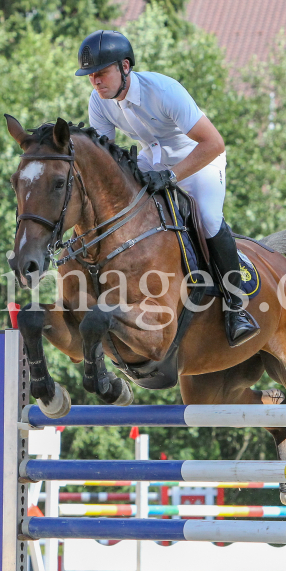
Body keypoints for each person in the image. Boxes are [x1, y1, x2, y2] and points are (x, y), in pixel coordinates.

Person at [76, 29, 259, 347]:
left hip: (198, 157)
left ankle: (235, 306)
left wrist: (172, 177)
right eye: (91, 75)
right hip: (153, 159)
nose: (96, 81)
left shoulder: (163, 90)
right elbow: (104, 159)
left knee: (208, 217)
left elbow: (213, 143)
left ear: (125, 67)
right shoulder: (99, 102)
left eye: (101, 73)